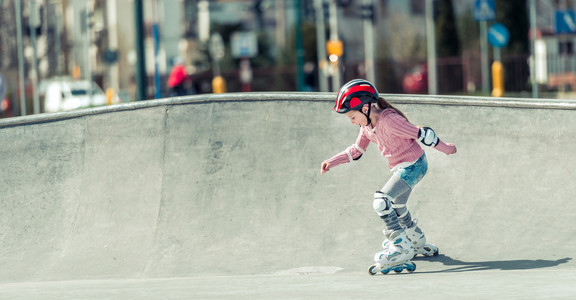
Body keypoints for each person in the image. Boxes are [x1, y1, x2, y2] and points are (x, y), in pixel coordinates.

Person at [320, 79, 457, 273]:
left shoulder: (390, 121)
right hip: (403, 167)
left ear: (365, 108)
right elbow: (357, 150)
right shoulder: (367, 127)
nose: (352, 122)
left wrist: (447, 148)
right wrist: (331, 162)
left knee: (381, 201)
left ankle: (400, 246)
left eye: (352, 116)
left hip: (414, 165)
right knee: (397, 204)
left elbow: (421, 133)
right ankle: (415, 239)